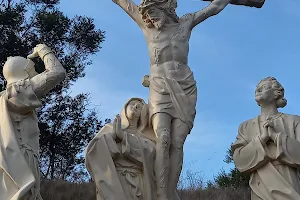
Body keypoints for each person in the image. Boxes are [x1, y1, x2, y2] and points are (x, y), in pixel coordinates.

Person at [111, 0, 237, 199]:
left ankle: (170, 192)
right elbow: (125, 4)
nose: (149, 18)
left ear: (165, 9)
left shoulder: (185, 23)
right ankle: (160, 192)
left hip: (184, 87)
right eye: (147, 15)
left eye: (153, 12)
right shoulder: (147, 27)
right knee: (163, 138)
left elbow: (213, 8)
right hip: (159, 87)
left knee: (177, 143)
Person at [0, 44, 66, 200]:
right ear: (23, 72)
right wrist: (44, 50)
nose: (36, 73)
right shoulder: (16, 92)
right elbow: (57, 72)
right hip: (20, 159)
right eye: (32, 69)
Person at [232, 77, 300, 200]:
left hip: (288, 181)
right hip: (260, 183)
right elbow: (239, 159)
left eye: (264, 87)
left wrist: (276, 137)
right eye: (257, 89)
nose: (258, 90)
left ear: (276, 93)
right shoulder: (245, 126)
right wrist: (262, 139)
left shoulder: (294, 121)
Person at [85, 98, 158, 200]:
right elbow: (92, 151)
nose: (135, 106)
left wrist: (123, 137)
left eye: (139, 107)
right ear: (125, 108)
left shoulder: (146, 137)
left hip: (139, 182)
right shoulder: (110, 129)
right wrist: (112, 137)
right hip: (115, 181)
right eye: (131, 104)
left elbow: (151, 153)